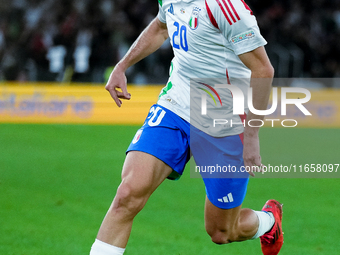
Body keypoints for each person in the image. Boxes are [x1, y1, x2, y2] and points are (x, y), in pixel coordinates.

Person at [90, 0, 283, 254]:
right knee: (127, 194)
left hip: (224, 120)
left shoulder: (226, 7)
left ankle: (269, 222)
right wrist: (122, 65)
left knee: (222, 232)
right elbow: (161, 27)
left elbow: (263, 69)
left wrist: (252, 135)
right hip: (176, 106)